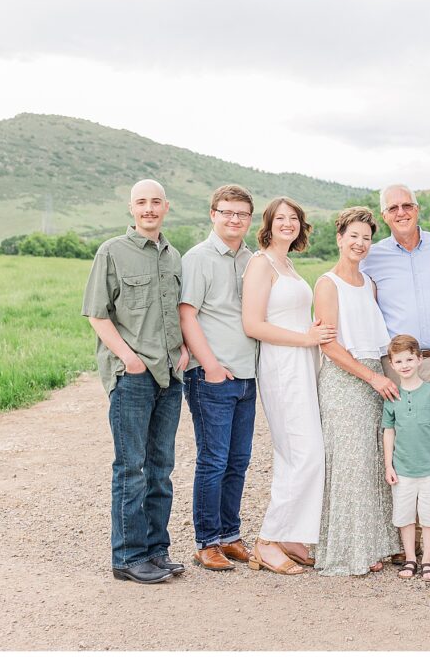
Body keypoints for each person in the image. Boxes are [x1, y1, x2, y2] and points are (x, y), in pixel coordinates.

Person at [82, 178, 189, 584]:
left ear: (166, 207)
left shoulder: (173, 256)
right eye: (141, 202)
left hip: (170, 375)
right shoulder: (111, 252)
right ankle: (127, 557)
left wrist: (184, 352)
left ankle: (156, 552)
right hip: (133, 376)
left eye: (156, 202)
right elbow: (96, 313)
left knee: (161, 467)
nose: (149, 208)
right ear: (131, 209)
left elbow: (177, 311)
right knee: (132, 468)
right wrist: (128, 358)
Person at [361, 183, 430, 569]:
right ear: (384, 215)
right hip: (397, 365)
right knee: (402, 443)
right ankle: (404, 534)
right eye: (393, 208)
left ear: (417, 208)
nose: (401, 212)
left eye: (407, 205)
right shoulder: (373, 256)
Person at [241, 196, 336, 575]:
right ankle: (266, 541)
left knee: (294, 454)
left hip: (301, 360)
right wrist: (306, 340)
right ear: (268, 223)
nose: (288, 223)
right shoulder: (260, 264)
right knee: (305, 451)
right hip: (281, 364)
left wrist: (311, 340)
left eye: (293, 218)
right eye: (280, 218)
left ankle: (292, 534)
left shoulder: (289, 264)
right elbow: (253, 325)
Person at [314, 206, 401, 576]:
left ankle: (376, 544)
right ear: (339, 238)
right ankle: (348, 551)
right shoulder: (327, 283)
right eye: (354, 236)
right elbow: (329, 345)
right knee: (349, 464)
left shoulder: (369, 284)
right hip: (344, 378)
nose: (360, 243)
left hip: (372, 376)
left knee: (373, 463)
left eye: (366, 238)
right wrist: (371, 378)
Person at [179, 184, 258, 571]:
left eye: (241, 214)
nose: (234, 219)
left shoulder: (251, 259)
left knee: (239, 460)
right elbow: (187, 313)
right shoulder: (198, 258)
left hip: (247, 374)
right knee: (213, 460)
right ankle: (206, 541)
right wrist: (208, 364)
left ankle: (230, 535)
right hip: (212, 376)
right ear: (213, 214)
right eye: (226, 212)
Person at [381, 334, 430, 583]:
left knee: (429, 518)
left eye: (410, 359)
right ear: (392, 363)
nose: (405, 365)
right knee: (405, 517)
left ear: (420, 360)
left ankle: (428, 560)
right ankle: (410, 557)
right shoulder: (392, 396)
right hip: (403, 469)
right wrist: (389, 465)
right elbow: (389, 432)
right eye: (398, 361)